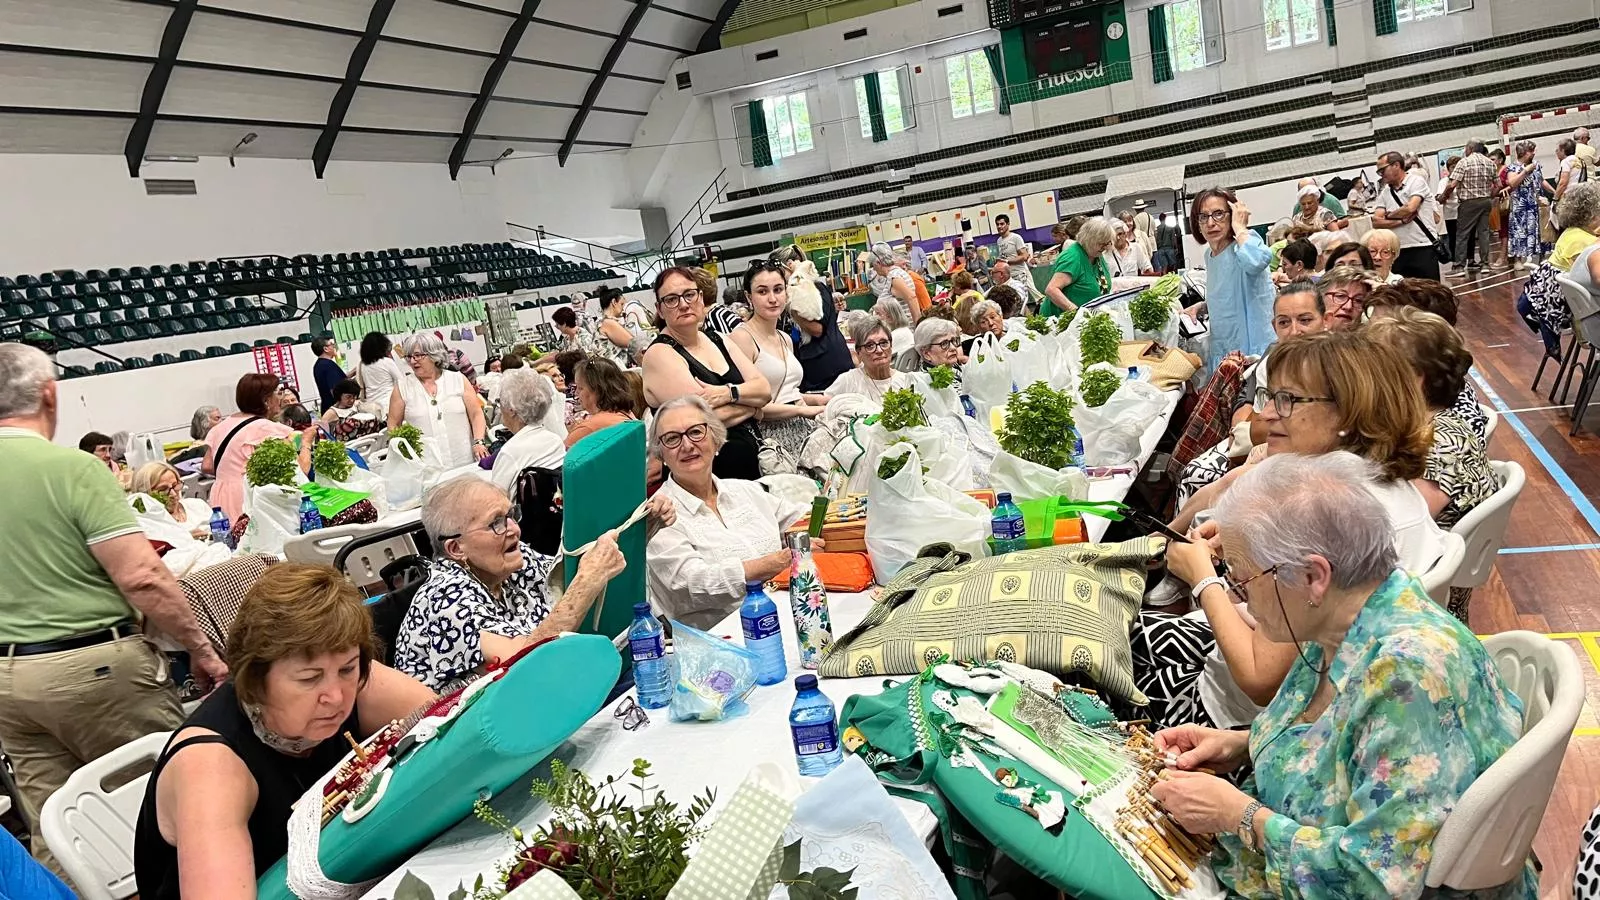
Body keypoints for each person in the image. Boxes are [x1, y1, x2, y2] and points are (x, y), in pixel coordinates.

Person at [1150, 453, 1534, 900]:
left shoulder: (1405, 676)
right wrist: (1239, 746)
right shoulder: (1348, 617)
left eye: (1243, 576)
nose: (1239, 590)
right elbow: (1340, 740)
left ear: (1313, 576)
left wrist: (1241, 816)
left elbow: (1376, 879)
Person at [0, 345, 226, 875]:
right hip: (92, 665)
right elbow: (142, 576)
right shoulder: (72, 468)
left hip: (9, 682)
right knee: (176, 798)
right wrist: (202, 649)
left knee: (59, 830)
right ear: (50, 395)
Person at [134, 565, 435, 898]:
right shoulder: (211, 768)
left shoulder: (353, 679)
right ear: (256, 679)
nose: (335, 696)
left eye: (348, 668)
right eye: (309, 679)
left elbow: (453, 729)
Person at [392, 477, 635, 690]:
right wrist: (588, 580)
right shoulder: (445, 599)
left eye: (511, 515)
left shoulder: (512, 560)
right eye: (496, 523)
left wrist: (644, 526)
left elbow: (570, 581)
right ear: (456, 548)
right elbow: (522, 667)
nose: (514, 529)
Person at [1365, 310, 1497, 611]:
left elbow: (1387, 538)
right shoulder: (1420, 429)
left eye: (1371, 371)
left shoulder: (1439, 445)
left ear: (1412, 381)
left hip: (1408, 616)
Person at [646, 397, 813, 629]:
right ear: (661, 454)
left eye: (696, 432)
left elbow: (803, 517)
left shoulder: (745, 490)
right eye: (672, 438)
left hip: (791, 616)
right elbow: (690, 583)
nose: (686, 445)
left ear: (715, 440)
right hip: (720, 641)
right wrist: (776, 562)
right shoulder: (659, 516)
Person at [642, 266, 772, 481]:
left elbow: (764, 389)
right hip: (704, 479)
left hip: (749, 467)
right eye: (672, 299)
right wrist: (753, 407)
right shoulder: (660, 354)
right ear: (660, 309)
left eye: (689, 295)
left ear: (701, 298)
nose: (683, 304)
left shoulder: (718, 338)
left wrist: (728, 394)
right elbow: (698, 423)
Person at [728, 261, 824, 465]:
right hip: (770, 441)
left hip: (803, 428)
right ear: (748, 297)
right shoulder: (742, 338)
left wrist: (818, 400)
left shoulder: (785, 338)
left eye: (778, 290)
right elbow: (750, 404)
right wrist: (801, 410)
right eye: (762, 292)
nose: (772, 299)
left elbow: (788, 391)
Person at [204, 373, 313, 522]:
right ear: (266, 400)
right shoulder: (267, 429)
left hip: (220, 497)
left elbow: (208, 466)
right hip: (250, 497)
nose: (281, 398)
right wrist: (306, 441)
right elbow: (299, 471)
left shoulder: (220, 427)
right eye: (278, 393)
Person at [1188, 189, 1275, 374]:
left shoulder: (1244, 246)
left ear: (1233, 214)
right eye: (1203, 216)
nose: (1211, 223)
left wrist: (1241, 228)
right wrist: (1203, 306)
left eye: (1218, 214)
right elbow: (1230, 292)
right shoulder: (1209, 255)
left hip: (1253, 353)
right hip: (1224, 349)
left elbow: (1258, 260)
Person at [1520, 182, 1600, 356]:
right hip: (1583, 312)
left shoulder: (1571, 233)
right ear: (1593, 216)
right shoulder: (1583, 241)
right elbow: (1589, 276)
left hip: (1558, 301)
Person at [389, 333, 489, 469]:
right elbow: (394, 425)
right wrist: (406, 454)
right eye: (409, 356)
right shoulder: (402, 388)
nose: (412, 361)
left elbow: (476, 414)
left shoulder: (458, 379)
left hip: (465, 460)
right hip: (426, 468)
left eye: (418, 355)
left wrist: (479, 441)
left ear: (434, 355)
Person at [770, 245, 854, 394]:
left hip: (827, 369)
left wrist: (792, 310)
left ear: (790, 266)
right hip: (814, 367)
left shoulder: (814, 289)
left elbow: (817, 330)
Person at [1369, 150, 1444, 280]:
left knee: (1431, 294)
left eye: (1382, 170)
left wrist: (1388, 216)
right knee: (1405, 296)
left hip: (1423, 247)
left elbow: (1410, 208)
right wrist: (1401, 221)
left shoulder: (1416, 182)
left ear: (1396, 165)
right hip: (1398, 251)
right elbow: (1376, 222)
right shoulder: (1385, 192)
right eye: (1379, 172)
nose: (1381, 175)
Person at [488, 369, 565, 493]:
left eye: (499, 401)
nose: (499, 407)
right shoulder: (555, 440)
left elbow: (496, 502)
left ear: (512, 410)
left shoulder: (510, 453)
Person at [811, 319, 910, 403]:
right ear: (858, 352)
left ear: (891, 346)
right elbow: (824, 402)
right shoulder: (849, 380)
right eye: (870, 346)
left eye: (883, 343)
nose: (879, 350)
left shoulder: (906, 382)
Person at [1439, 140, 1498, 277]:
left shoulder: (1464, 162)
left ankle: (1459, 266)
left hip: (1468, 203)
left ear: (1470, 148)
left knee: (1462, 234)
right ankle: (1485, 264)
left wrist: (1443, 196)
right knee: (1483, 233)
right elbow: (1498, 185)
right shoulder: (1490, 163)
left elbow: (1452, 185)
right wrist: (1489, 196)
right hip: (1485, 201)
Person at [1046, 216, 1115, 315]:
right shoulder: (1073, 257)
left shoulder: (1096, 254)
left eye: (1107, 243)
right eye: (1101, 243)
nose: (1105, 247)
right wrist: (1077, 312)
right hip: (1061, 320)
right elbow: (1051, 290)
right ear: (1089, 239)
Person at [130, 462, 213, 538]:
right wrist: (185, 539)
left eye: (175, 485)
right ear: (144, 494)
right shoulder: (149, 525)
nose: (173, 494)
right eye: (163, 489)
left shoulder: (198, 505)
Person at [1506, 140, 1547, 268]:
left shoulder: (1536, 165)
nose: (1534, 153)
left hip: (1535, 204)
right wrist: (1525, 171)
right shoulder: (1513, 168)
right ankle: (1518, 259)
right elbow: (1512, 183)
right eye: (1531, 151)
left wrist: (1554, 192)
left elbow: (1541, 180)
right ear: (1524, 153)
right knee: (1519, 231)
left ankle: (1542, 257)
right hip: (1520, 206)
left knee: (1539, 231)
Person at [868, 243, 921, 325]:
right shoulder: (895, 274)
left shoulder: (894, 277)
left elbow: (911, 298)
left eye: (873, 265)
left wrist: (918, 325)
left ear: (879, 263)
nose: (874, 269)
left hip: (905, 329)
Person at [356, 331, 404, 413]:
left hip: (371, 406)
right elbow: (402, 382)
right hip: (389, 404)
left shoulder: (363, 364)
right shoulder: (387, 362)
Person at [896, 317, 963, 374]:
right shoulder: (926, 383)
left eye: (954, 340)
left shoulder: (954, 367)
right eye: (944, 344)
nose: (953, 347)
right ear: (926, 354)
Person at [593, 287, 634, 366]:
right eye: (621, 304)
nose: (623, 308)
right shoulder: (608, 323)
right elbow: (633, 343)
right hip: (614, 371)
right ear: (614, 302)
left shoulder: (600, 322)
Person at [992, 213, 1033, 292]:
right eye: (997, 224)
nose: (999, 226)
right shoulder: (999, 240)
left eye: (1002, 224)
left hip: (1019, 274)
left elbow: (1024, 256)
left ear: (1008, 224)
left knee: (1022, 299)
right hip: (1008, 276)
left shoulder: (1015, 237)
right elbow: (1004, 256)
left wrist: (1007, 261)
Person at [310, 337, 344, 412]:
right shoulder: (328, 365)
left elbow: (341, 379)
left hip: (327, 408)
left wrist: (356, 370)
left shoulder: (319, 365)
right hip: (336, 409)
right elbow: (334, 390)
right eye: (332, 344)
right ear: (326, 349)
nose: (334, 346)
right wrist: (343, 407)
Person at [1556, 138, 1587, 207]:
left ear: (1563, 150)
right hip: (1580, 195)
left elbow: (1563, 183)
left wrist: (1555, 198)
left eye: (1557, 150)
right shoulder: (1581, 161)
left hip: (1568, 197)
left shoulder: (1566, 161)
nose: (1556, 152)